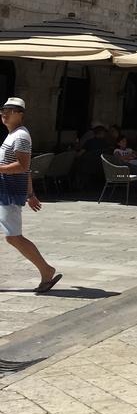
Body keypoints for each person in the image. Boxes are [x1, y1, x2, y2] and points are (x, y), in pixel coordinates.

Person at [0, 98, 60, 293]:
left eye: (11, 110)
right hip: (6, 190)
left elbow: (23, 167)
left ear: (21, 114)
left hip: (9, 192)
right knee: (12, 236)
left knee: (13, 237)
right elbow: (27, 170)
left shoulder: (21, 137)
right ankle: (46, 270)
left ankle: (46, 270)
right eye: (3, 109)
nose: (5, 113)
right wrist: (31, 193)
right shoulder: (13, 135)